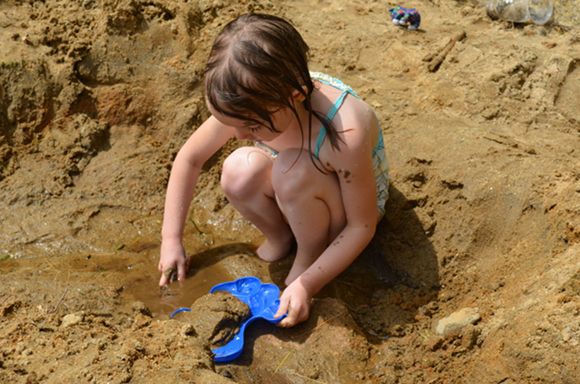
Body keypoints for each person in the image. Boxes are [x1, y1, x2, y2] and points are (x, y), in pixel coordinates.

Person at [158, 13, 389, 327]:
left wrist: (308, 284)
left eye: (251, 126)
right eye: (230, 124)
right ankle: (281, 238)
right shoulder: (253, 99)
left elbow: (361, 226)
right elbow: (190, 159)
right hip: (297, 188)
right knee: (239, 167)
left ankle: (309, 256)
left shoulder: (344, 130)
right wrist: (171, 239)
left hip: (346, 213)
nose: (238, 135)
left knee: (290, 170)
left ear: (296, 97)